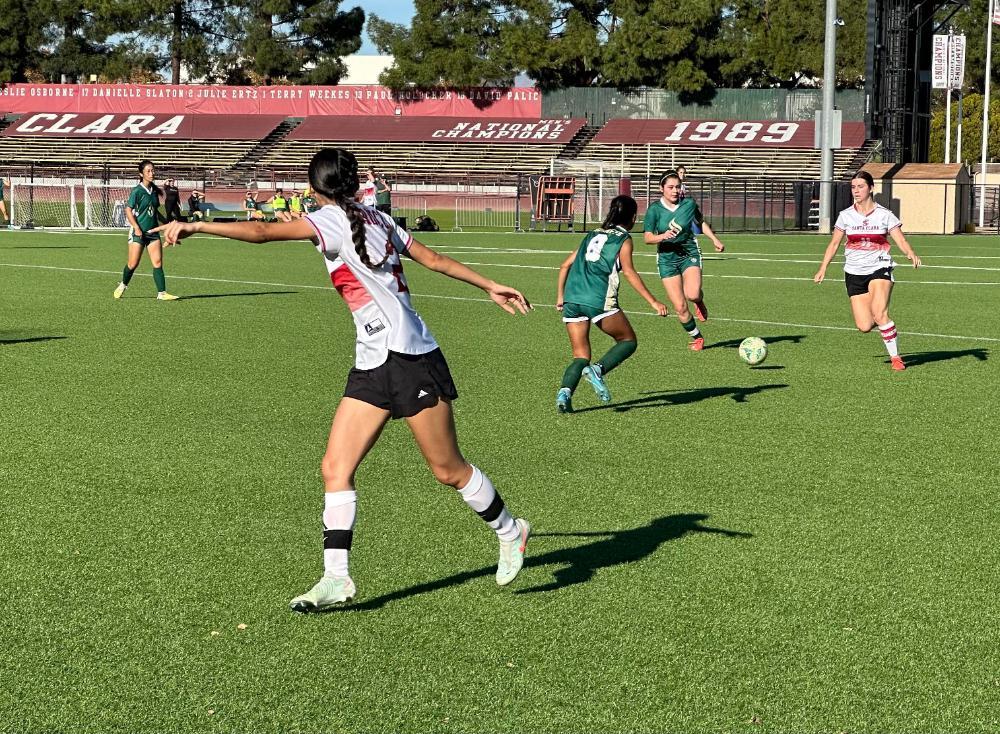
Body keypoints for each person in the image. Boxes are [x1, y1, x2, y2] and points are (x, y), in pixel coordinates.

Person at [152, 147, 533, 612]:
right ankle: (336, 579)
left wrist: (195, 224)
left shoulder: (337, 220)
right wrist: (489, 283)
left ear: (315, 189)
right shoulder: (370, 217)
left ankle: (512, 532)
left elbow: (261, 231)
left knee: (447, 469)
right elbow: (432, 261)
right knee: (335, 467)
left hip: (410, 358)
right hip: (372, 362)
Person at [555, 195, 668, 413]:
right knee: (627, 341)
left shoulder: (592, 234)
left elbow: (564, 265)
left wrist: (560, 296)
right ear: (634, 217)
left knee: (580, 356)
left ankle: (564, 393)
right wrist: (653, 301)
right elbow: (629, 272)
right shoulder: (623, 239)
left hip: (572, 297)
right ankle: (597, 370)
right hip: (597, 299)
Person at [813, 170, 921, 371]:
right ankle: (885, 326)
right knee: (864, 326)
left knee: (880, 314)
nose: (856, 191)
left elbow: (900, 239)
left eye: (860, 186)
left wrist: (910, 253)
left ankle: (896, 358)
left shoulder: (884, 215)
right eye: (853, 187)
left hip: (879, 267)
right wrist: (823, 268)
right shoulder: (845, 216)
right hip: (854, 272)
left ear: (871, 188)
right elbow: (834, 243)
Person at [643, 170, 725, 351]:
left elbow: (700, 221)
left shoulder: (688, 204)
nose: (674, 191)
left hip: (689, 253)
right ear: (661, 189)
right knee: (680, 307)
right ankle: (697, 337)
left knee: (693, 294)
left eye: (677, 187)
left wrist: (714, 239)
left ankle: (699, 301)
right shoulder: (654, 210)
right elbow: (647, 238)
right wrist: (663, 236)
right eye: (670, 187)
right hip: (666, 259)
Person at [112, 160, 178, 301]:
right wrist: (136, 228)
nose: (151, 173)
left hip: (153, 232)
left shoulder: (154, 191)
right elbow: (128, 210)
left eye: (153, 170)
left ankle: (162, 293)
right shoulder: (137, 191)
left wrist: (168, 224)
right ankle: (123, 284)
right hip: (139, 232)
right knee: (133, 264)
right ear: (141, 174)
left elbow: (154, 212)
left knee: (158, 263)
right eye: (148, 171)